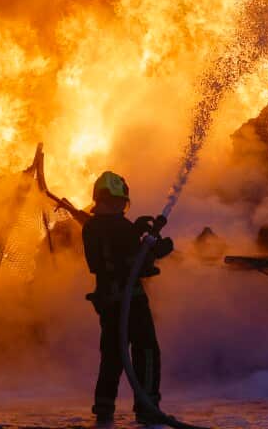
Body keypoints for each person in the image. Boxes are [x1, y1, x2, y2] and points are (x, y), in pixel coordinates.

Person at [83, 171, 174, 425]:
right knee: (146, 351)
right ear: (112, 200)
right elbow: (134, 264)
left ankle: (104, 409)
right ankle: (148, 408)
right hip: (131, 301)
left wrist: (135, 231)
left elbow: (109, 254)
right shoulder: (120, 227)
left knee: (112, 355)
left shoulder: (91, 227)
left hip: (108, 302)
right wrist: (156, 251)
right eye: (120, 202)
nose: (122, 208)